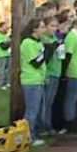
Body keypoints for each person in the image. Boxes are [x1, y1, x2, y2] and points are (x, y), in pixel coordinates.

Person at [19, 17, 51, 145]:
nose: (44, 30)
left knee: (39, 109)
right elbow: (36, 62)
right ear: (34, 29)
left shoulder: (38, 42)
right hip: (31, 80)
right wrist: (46, 53)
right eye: (42, 27)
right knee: (32, 110)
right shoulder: (28, 43)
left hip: (39, 79)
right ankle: (29, 136)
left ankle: (35, 132)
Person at [0, 23, 11, 90]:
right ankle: (1, 84)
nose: (6, 28)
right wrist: (9, 42)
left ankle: (7, 82)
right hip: (0, 56)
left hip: (7, 55)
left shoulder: (6, 35)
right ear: (0, 27)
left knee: (8, 70)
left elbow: (8, 43)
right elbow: (3, 46)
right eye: (5, 27)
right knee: (2, 70)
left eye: (7, 27)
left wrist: (8, 42)